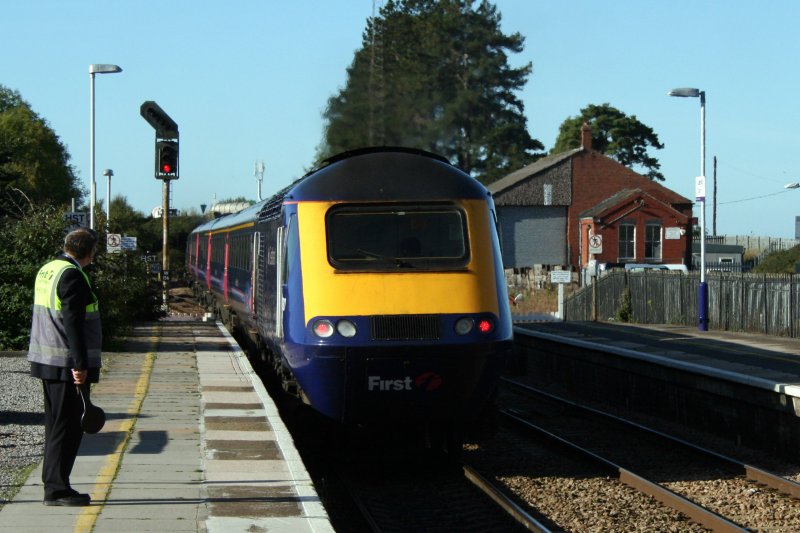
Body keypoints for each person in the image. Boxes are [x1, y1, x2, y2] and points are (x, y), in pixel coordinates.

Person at [27, 227, 101, 507]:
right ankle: (56, 489)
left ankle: (56, 485)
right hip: (65, 363)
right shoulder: (72, 275)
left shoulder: (49, 268)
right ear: (89, 252)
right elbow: (73, 324)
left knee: (57, 424)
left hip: (48, 359)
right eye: (94, 249)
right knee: (67, 426)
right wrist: (80, 365)